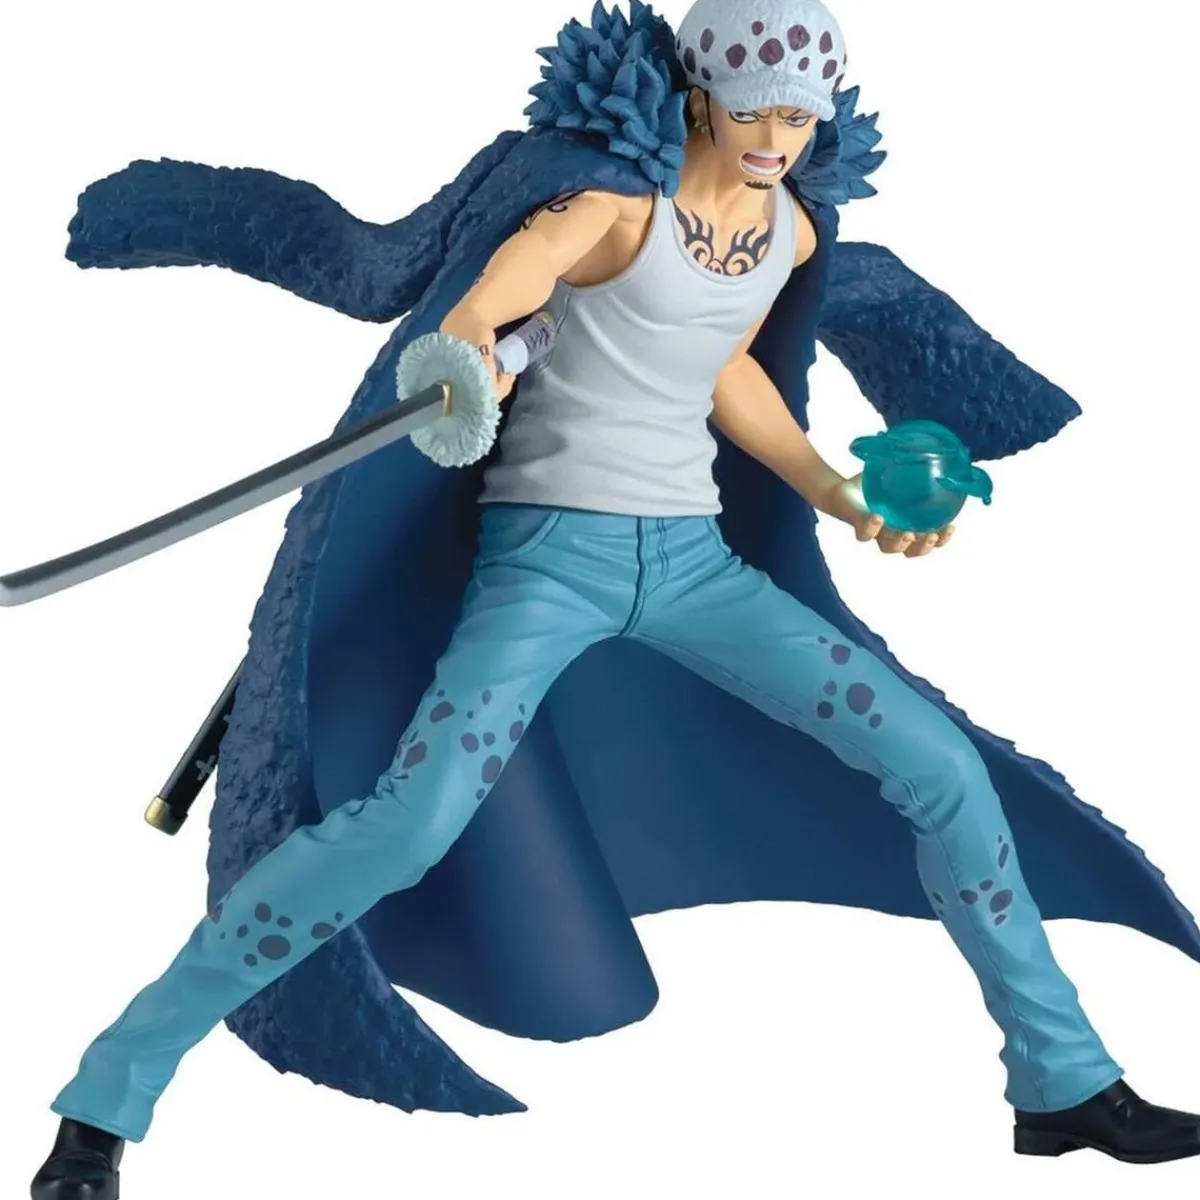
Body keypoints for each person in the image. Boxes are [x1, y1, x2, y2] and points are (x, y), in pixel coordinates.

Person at [30, 2, 1200, 1195]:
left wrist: (837, 492)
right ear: (701, 96)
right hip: (549, 565)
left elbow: (728, 368)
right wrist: (468, 365)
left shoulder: (787, 231)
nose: (775, 139)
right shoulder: (607, 211)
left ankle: (1062, 1079)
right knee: (407, 826)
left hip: (697, 571)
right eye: (754, 112)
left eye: (799, 119)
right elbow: (481, 310)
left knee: (941, 769)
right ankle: (106, 1099)